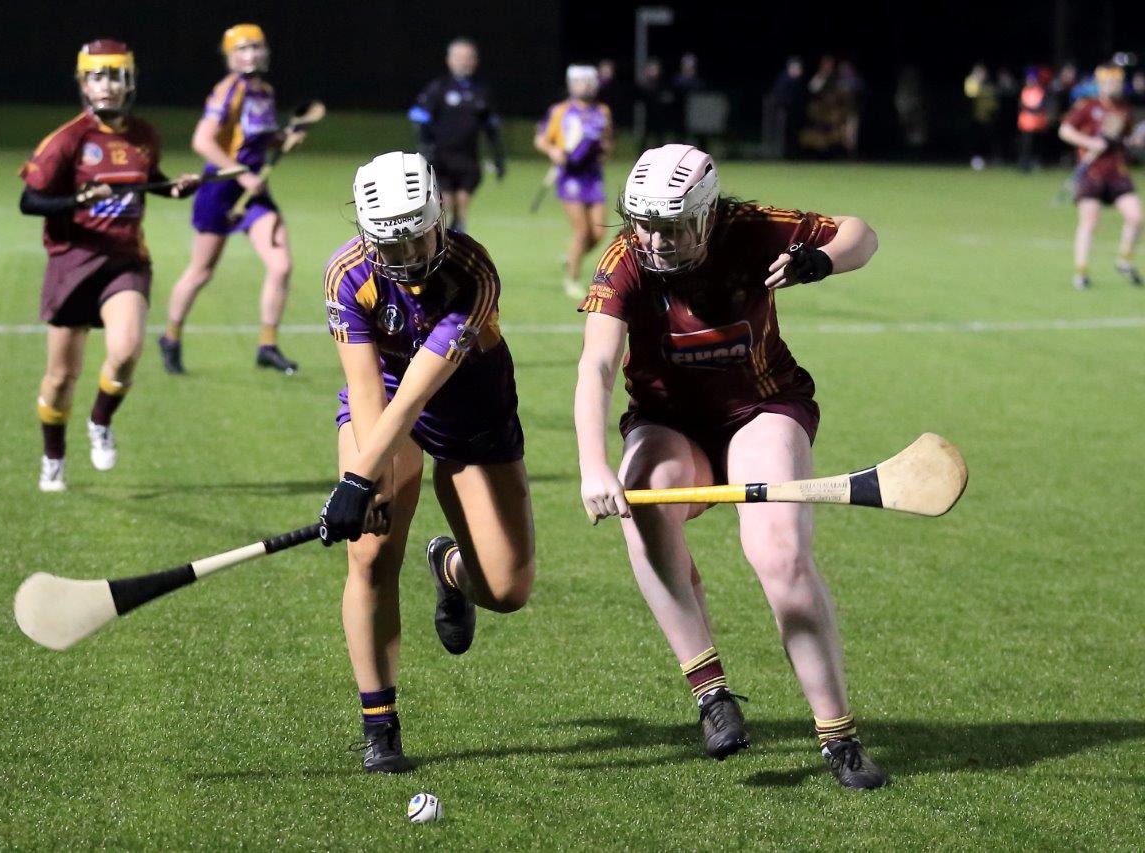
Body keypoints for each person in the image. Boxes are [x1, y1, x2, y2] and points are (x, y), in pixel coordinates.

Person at [573, 144, 887, 790]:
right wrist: (592, 464)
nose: (656, 241)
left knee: (778, 554)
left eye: (672, 225)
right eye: (645, 223)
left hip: (763, 406)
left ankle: (837, 733)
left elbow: (862, 233)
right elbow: (597, 364)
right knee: (644, 500)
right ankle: (710, 690)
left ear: (708, 214)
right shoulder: (625, 259)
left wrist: (821, 260)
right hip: (669, 422)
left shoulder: (749, 227)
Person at [318, 152, 535, 773]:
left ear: (440, 215)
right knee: (370, 553)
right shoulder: (346, 274)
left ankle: (450, 568)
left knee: (507, 591)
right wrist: (369, 482)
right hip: (383, 406)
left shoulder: (473, 273)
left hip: (470, 412)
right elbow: (370, 388)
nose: (409, 256)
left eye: (418, 237)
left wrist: (359, 479)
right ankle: (379, 725)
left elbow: (420, 390)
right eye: (393, 243)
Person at [19, 40, 198, 492]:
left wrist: (172, 187)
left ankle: (100, 421)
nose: (107, 85)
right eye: (97, 76)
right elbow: (30, 200)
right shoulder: (67, 140)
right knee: (62, 377)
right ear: (83, 83)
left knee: (127, 349)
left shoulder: (143, 136)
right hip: (72, 263)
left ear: (129, 83)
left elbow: (146, 180)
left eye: (115, 76)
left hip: (125, 260)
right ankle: (53, 456)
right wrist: (79, 199)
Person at [158, 23, 300, 376]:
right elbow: (202, 141)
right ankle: (170, 337)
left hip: (253, 193)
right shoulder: (227, 91)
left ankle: (267, 346)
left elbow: (258, 139)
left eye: (256, 47)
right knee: (201, 271)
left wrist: (282, 140)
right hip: (220, 191)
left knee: (281, 265)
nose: (251, 54)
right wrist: (244, 174)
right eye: (243, 49)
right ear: (230, 56)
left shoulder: (264, 91)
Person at [1059, 64, 1144, 290]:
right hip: (1091, 174)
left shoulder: (1124, 110)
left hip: (1117, 172)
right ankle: (1081, 272)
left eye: (1115, 82)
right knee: (1089, 221)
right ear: (1100, 84)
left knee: (1136, 217)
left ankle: (1124, 260)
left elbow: (1123, 140)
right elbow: (1065, 131)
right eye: (1107, 82)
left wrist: (1133, 143)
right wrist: (1090, 143)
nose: (1111, 86)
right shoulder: (1088, 107)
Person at [408, 38, 506, 233]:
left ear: (475, 61)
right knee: (446, 204)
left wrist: (498, 158)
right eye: (459, 57)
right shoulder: (438, 88)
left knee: (461, 206)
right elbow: (418, 117)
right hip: (441, 158)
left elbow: (491, 127)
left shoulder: (482, 92)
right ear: (449, 60)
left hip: (469, 159)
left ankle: (457, 235)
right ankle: (443, 237)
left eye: (468, 58)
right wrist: (425, 147)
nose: (464, 62)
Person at [534, 65, 613, 299]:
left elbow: (607, 140)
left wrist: (605, 151)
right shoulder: (560, 111)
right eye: (580, 81)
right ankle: (572, 279)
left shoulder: (603, 111)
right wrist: (553, 151)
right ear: (571, 84)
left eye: (589, 81)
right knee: (581, 230)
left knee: (598, 233)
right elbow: (541, 139)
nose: (585, 86)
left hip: (593, 176)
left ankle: (571, 258)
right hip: (570, 176)